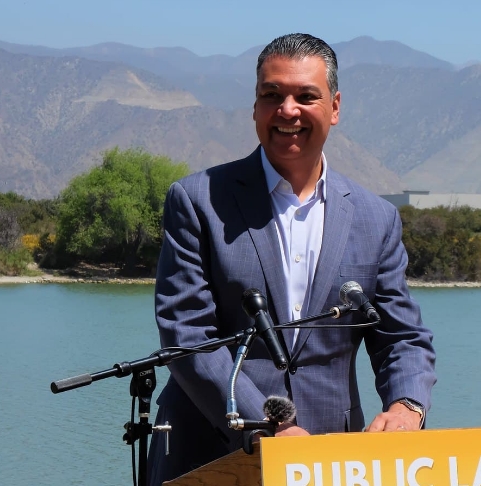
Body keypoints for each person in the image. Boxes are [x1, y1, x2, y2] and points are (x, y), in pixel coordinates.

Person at [147, 33, 436, 485]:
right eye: (272, 95)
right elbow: (187, 335)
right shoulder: (197, 200)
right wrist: (268, 423)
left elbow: (401, 337)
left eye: (306, 96)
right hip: (209, 455)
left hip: (330, 461)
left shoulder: (376, 218)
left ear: (335, 107)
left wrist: (407, 406)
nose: (288, 110)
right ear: (255, 108)